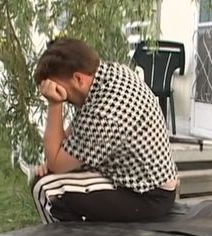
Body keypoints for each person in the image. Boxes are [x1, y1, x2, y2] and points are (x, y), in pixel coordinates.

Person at [32, 38, 178, 224]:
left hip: (147, 195)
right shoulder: (110, 75)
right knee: (49, 176)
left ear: (78, 78)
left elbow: (56, 163)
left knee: (46, 189)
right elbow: (63, 148)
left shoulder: (105, 113)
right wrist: (55, 161)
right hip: (137, 178)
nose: (61, 96)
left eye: (60, 91)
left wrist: (54, 104)